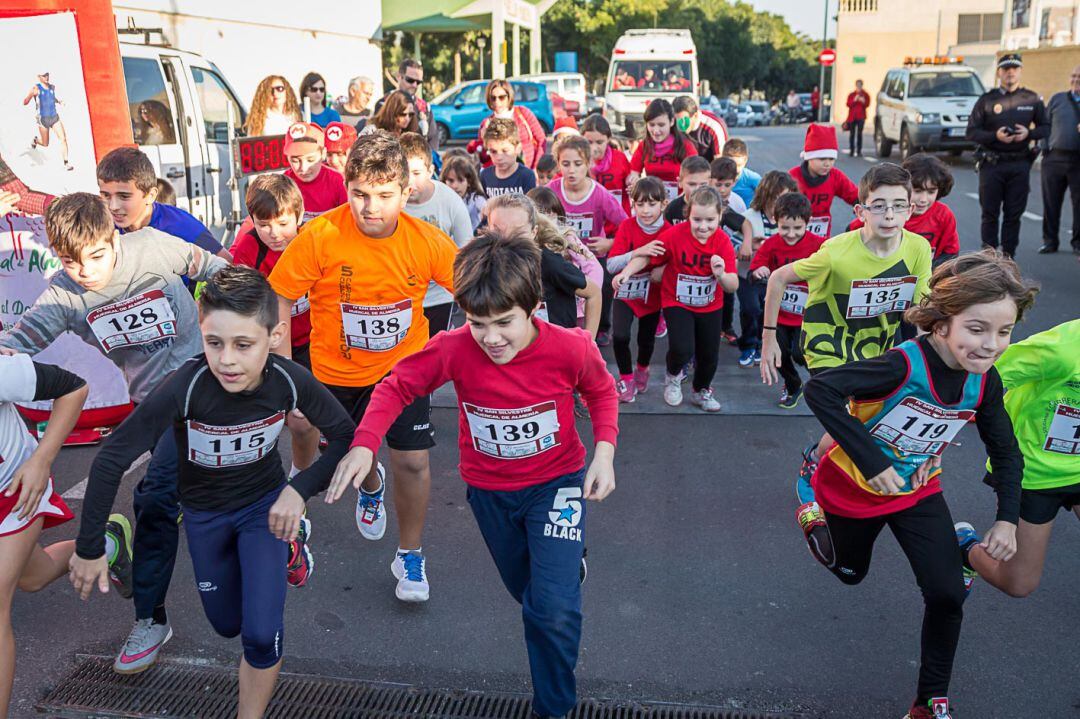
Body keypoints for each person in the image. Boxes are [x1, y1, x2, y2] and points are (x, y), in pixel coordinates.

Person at [326, 231, 617, 719]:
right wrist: (364, 444)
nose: (492, 338)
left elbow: (602, 392)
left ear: (534, 307)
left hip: (557, 484)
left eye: (505, 323)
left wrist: (604, 453)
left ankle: (555, 708)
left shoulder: (570, 348)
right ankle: (563, 568)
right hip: (490, 493)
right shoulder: (454, 347)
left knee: (552, 611)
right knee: (527, 594)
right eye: (480, 324)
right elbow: (396, 386)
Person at [70, 265, 355, 719]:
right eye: (214, 343)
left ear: (275, 336)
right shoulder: (187, 386)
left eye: (244, 345)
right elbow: (111, 457)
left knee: (260, 636)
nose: (227, 360)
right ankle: (284, 556)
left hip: (265, 509)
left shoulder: (287, 379)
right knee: (227, 626)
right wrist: (88, 549)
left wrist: (298, 490)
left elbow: (344, 435)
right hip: (204, 515)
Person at [0, 193, 228, 673]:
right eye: (71, 262)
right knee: (158, 499)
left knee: (184, 493)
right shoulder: (63, 294)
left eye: (97, 257)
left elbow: (215, 267)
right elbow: (15, 344)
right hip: (154, 407)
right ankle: (151, 617)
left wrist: (228, 320)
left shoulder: (155, 249)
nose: (87, 271)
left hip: (210, 383)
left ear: (114, 238)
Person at [802, 251, 1033, 719]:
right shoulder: (900, 366)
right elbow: (820, 390)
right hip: (850, 490)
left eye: (1004, 332)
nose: (991, 345)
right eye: (977, 329)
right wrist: (869, 460)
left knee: (947, 595)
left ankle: (928, 703)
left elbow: (1007, 451)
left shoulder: (985, 382)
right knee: (849, 574)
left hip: (916, 492)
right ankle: (808, 500)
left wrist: (1007, 520)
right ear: (941, 323)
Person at [268, 131, 458, 603]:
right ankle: (369, 484)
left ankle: (410, 553)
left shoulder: (428, 242)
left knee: (412, 461)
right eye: (359, 194)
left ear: (406, 192)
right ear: (347, 187)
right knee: (351, 452)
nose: (370, 207)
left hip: (403, 373)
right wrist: (288, 376)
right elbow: (280, 295)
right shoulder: (322, 235)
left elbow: (477, 293)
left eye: (384, 196)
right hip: (335, 373)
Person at [760, 163, 933, 567]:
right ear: (860, 211)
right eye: (879, 206)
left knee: (867, 420)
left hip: (878, 348)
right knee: (853, 417)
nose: (889, 216)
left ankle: (817, 454)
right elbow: (778, 280)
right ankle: (814, 466)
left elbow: (922, 309)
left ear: (910, 210)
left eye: (899, 206)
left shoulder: (919, 249)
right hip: (829, 348)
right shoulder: (836, 252)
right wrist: (770, 340)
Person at [0, 354, 131, 718]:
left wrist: (42, 460)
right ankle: (105, 544)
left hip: (14, 491)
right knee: (34, 577)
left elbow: (73, 388)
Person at [956, 319, 1078, 600]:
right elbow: (986, 377)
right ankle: (965, 549)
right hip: (1035, 474)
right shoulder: (1063, 349)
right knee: (1019, 584)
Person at [613, 186, 738, 412]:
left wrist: (720, 275)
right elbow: (647, 257)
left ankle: (701, 390)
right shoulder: (674, 235)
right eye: (697, 219)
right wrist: (626, 272)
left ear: (720, 216)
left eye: (710, 220)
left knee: (709, 354)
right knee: (682, 347)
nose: (703, 226)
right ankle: (672, 377)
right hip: (677, 301)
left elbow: (732, 285)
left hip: (710, 304)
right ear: (688, 215)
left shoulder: (722, 242)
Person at [230, 174, 322, 478]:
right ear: (252, 221)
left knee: (302, 420)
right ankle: (252, 482)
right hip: (266, 342)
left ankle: (299, 479)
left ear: (299, 216)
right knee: (254, 417)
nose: (274, 233)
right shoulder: (249, 248)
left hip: (312, 341)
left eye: (283, 223)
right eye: (263, 224)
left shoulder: (314, 241)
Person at [966, 53, 1049, 259]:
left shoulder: (1031, 99)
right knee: (990, 214)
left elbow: (1046, 127)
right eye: (1005, 69)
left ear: (1020, 71)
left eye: (1014, 68)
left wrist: (1028, 133)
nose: (1010, 72)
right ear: (999, 73)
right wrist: (995, 136)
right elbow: (971, 132)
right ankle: (989, 259)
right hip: (991, 164)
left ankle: (1008, 258)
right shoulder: (987, 100)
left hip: (1020, 164)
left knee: (1014, 215)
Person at [548, 135, 628, 347]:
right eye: (566, 164)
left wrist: (609, 244)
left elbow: (627, 226)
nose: (571, 170)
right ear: (558, 164)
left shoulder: (600, 195)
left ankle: (602, 327)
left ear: (589, 164)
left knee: (603, 288)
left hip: (592, 256)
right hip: (562, 256)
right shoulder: (552, 190)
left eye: (578, 164)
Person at [748, 192, 825, 408]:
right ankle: (793, 385)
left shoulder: (819, 245)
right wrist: (758, 271)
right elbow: (755, 269)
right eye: (785, 228)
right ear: (776, 222)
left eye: (797, 228)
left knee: (802, 355)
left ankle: (821, 385)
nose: (791, 234)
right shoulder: (771, 244)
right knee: (776, 354)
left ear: (807, 223)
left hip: (807, 315)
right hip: (778, 315)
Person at [486, 194, 601, 337]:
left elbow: (594, 293)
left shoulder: (548, 262)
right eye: (498, 231)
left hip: (556, 348)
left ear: (533, 232)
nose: (507, 239)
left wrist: (588, 345)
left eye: (518, 232)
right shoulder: (486, 262)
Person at [96, 147, 231, 264]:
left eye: (124, 196)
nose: (113, 206)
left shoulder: (181, 225)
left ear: (150, 195)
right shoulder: (100, 228)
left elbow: (229, 266)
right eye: (106, 195)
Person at [400, 132, 474, 337]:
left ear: (431, 170)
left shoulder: (449, 201)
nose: (409, 180)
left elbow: (466, 249)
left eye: (416, 173)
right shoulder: (391, 201)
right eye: (404, 172)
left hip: (440, 296)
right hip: (401, 296)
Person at [605, 177, 669, 403]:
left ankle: (643, 368)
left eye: (652, 204)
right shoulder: (627, 226)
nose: (645, 210)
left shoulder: (669, 230)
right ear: (633, 205)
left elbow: (671, 262)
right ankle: (626, 377)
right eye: (640, 204)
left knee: (646, 339)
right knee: (620, 336)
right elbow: (612, 264)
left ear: (663, 204)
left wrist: (662, 270)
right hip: (625, 289)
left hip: (651, 292)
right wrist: (637, 251)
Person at [849, 154, 959, 267]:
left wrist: (927, 269)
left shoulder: (944, 215)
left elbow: (950, 253)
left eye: (931, 192)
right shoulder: (888, 213)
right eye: (917, 191)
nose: (923, 199)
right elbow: (852, 233)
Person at [1038, 65, 1080, 255]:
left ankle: (1078, 243)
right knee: (1051, 202)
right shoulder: (1057, 99)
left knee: (1079, 204)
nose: (1075, 79)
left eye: (1079, 76)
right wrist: (1044, 150)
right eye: (1073, 76)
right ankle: (1050, 241)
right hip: (1054, 158)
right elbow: (1044, 125)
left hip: (1078, 160)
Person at [789, 124, 859, 238]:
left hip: (821, 235)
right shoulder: (793, 176)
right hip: (794, 232)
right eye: (821, 159)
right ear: (809, 157)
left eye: (831, 159)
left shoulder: (835, 176)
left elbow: (854, 195)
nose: (827, 164)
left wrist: (865, 206)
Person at [627, 99, 698, 201]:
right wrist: (634, 182)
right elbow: (633, 173)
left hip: (680, 202)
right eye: (651, 125)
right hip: (652, 203)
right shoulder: (644, 146)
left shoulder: (686, 146)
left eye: (661, 125)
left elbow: (697, 176)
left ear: (672, 121)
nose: (656, 131)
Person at [282, 122, 348, 223]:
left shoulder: (337, 182)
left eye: (310, 159)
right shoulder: (284, 183)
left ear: (323, 154)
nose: (303, 168)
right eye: (295, 161)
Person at [477, 80, 547, 170]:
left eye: (501, 97)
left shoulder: (523, 113)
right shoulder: (486, 123)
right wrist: (484, 143)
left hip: (528, 171)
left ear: (509, 97)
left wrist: (536, 168)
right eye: (493, 98)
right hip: (502, 178)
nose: (497, 102)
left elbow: (541, 140)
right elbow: (483, 159)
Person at [373, 59, 438, 151]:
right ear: (399, 77)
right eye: (410, 80)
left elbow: (433, 140)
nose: (415, 85)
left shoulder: (424, 107)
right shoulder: (383, 103)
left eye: (418, 82)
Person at [582, 114, 632, 214]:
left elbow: (632, 184)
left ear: (608, 139)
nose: (594, 148)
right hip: (591, 222)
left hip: (617, 223)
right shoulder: (578, 161)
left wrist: (633, 187)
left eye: (599, 142)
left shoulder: (619, 158)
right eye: (589, 142)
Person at [23, 71, 72, 171]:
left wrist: (59, 102)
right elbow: (25, 102)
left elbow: (51, 98)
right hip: (43, 119)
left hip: (54, 117)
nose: (46, 77)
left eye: (47, 75)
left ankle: (66, 162)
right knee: (45, 144)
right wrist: (31, 95)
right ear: (39, 77)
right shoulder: (36, 88)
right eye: (43, 75)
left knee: (63, 138)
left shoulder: (52, 87)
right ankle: (36, 140)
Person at [479, 118, 537, 197]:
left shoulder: (527, 176)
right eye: (493, 151)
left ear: (518, 148)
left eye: (505, 151)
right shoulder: (485, 175)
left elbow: (530, 207)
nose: (499, 157)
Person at [673, 95, 728, 162]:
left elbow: (720, 163)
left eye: (684, 121)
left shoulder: (714, 128)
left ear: (695, 116)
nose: (680, 125)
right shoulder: (672, 125)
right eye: (677, 121)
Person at [440, 155, 486, 232]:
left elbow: (487, 210)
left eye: (460, 180)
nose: (455, 186)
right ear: (444, 181)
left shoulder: (476, 199)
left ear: (469, 182)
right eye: (451, 181)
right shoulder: (440, 199)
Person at [723, 138, 762, 207]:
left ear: (745, 160)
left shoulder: (752, 178)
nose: (735, 169)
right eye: (731, 165)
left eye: (739, 165)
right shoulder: (717, 178)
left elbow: (766, 196)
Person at [845, 80, 870, 157]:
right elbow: (848, 104)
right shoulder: (852, 94)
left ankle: (859, 151)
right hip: (852, 117)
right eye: (857, 85)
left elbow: (867, 104)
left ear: (862, 85)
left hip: (861, 117)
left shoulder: (865, 94)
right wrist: (854, 100)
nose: (859, 86)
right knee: (852, 134)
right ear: (856, 86)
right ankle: (852, 150)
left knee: (859, 134)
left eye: (860, 85)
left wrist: (863, 101)